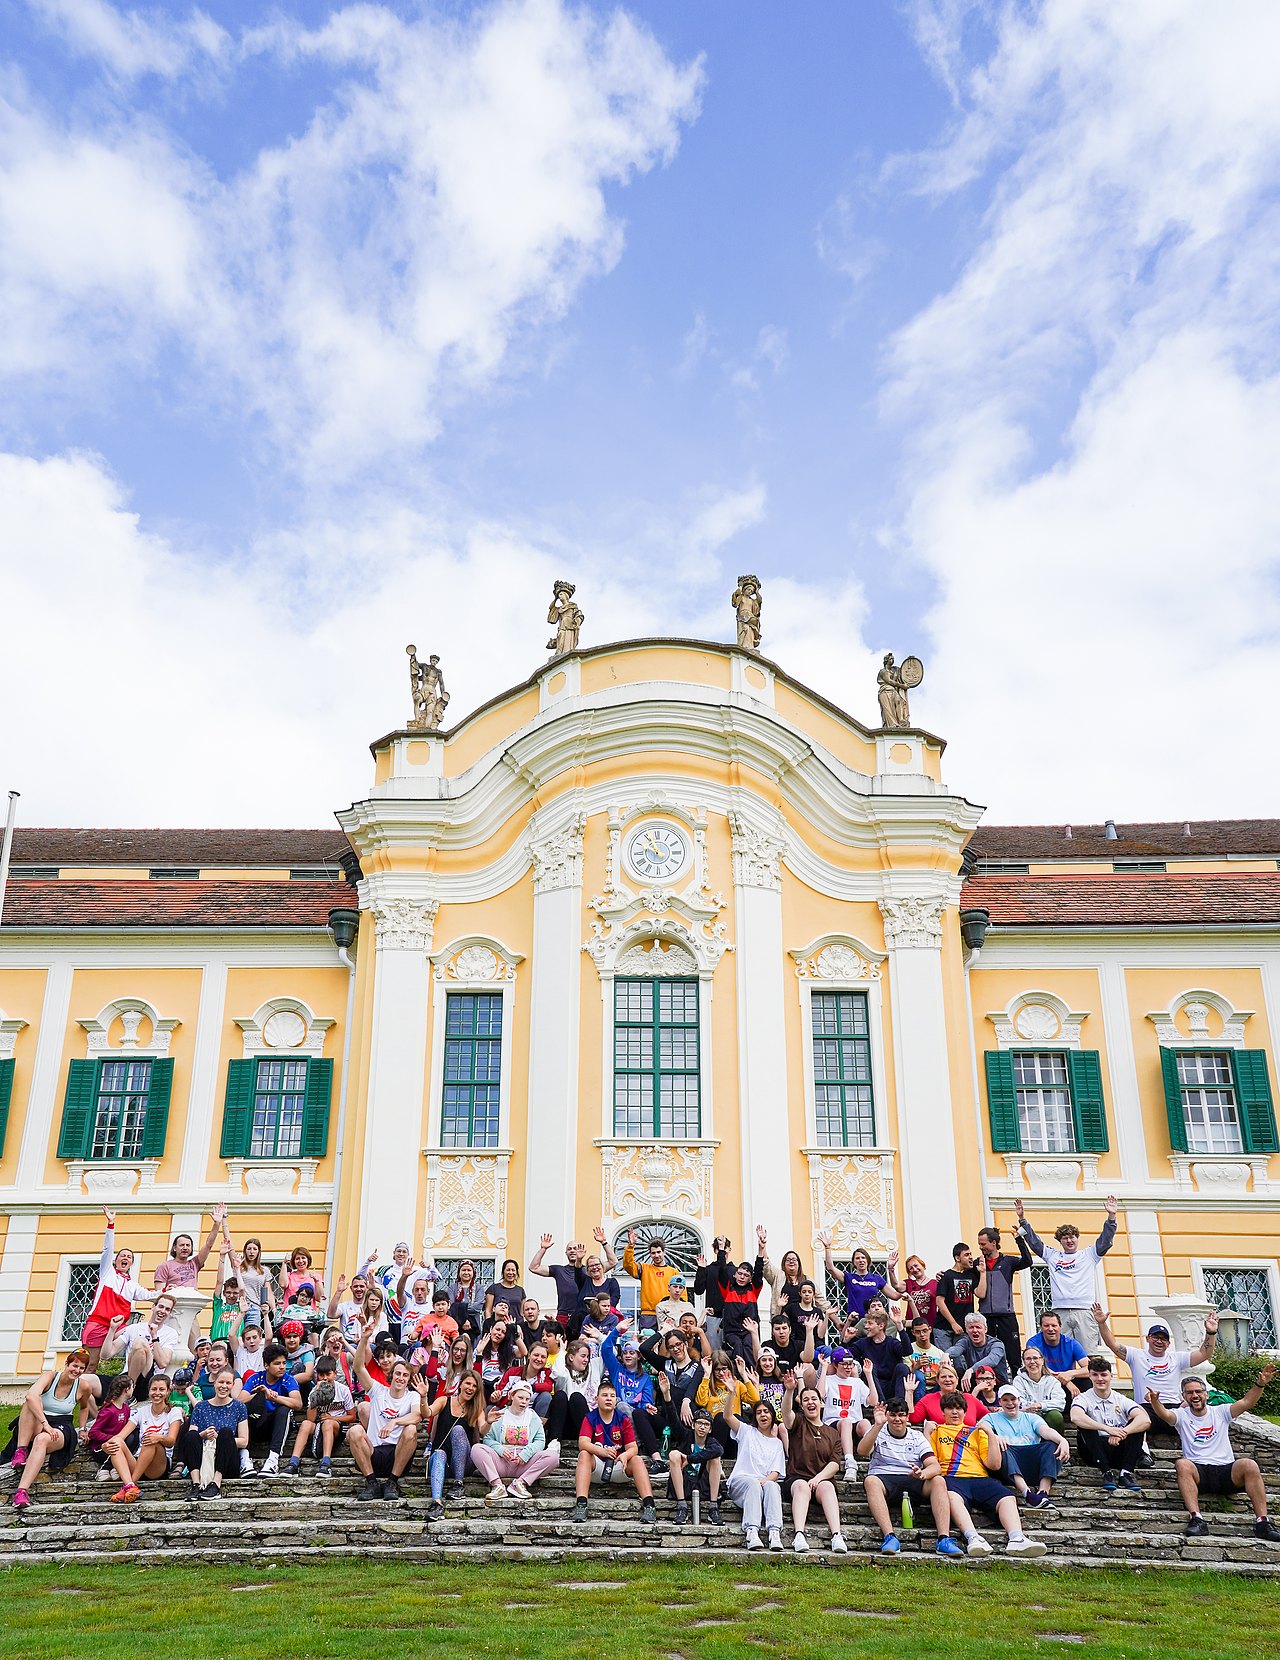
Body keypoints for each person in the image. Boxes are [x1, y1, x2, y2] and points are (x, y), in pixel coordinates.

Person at [1145, 1363, 1280, 1541]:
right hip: (1199, 1474)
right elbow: (1165, 1415)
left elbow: (1247, 1402)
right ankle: (1197, 1519)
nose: (1195, 1395)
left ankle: (1263, 1522)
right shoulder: (1181, 1416)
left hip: (1226, 1471)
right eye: (1189, 1393)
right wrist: (1155, 1402)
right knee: (1182, 1464)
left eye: (1198, 1391)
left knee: (1249, 1464)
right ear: (1183, 1396)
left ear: (1206, 1394)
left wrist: (1260, 1384)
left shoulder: (1221, 1412)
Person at [928, 1391, 1047, 1556]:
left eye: (958, 1408)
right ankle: (973, 1538)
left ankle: (1017, 1538)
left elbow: (994, 1464)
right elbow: (928, 1460)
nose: (954, 1412)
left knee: (1007, 1497)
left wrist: (990, 1433)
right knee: (952, 1497)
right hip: (951, 1477)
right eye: (949, 1408)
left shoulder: (976, 1432)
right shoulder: (936, 1431)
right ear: (943, 1412)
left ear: (965, 1411)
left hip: (980, 1477)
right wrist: (927, 1433)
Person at [1093, 1302, 1218, 1446]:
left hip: (1172, 1407)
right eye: (1155, 1337)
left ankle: (1199, 1451)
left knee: (1195, 1408)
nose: (1159, 1341)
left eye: (1163, 1338)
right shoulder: (1136, 1355)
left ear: (1168, 1343)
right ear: (1147, 1338)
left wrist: (1211, 1333)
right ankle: (1143, 1452)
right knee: (1135, 1414)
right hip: (1147, 1407)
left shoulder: (1176, 1358)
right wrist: (1102, 1323)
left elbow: (1204, 1354)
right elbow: (1112, 1344)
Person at [857, 1398, 963, 1557]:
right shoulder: (877, 1431)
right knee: (870, 1480)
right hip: (884, 1479)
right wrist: (877, 1425)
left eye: (901, 1415)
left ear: (907, 1417)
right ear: (886, 1416)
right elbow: (862, 1452)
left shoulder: (917, 1436)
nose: (897, 1419)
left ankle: (944, 1539)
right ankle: (890, 1537)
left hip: (913, 1478)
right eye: (892, 1415)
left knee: (938, 1480)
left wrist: (923, 1474)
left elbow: (935, 1466)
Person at [1013, 1195, 1118, 1353]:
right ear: (1060, 1241)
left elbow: (1106, 1240)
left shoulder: (1089, 1254)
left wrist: (1111, 1217)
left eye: (1072, 1237)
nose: (1069, 1241)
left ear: (1077, 1238)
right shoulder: (1053, 1255)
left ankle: (1089, 1378)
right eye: (1065, 1238)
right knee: (1061, 1353)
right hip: (1059, 1312)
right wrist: (1022, 1219)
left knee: (1088, 1354)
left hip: (1084, 1311)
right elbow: (1035, 1243)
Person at [7, 1348, 95, 1509]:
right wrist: (44, 1423)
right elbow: (31, 1395)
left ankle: (21, 1492)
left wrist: (82, 1428)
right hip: (37, 1422)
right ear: (66, 1364)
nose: (77, 1370)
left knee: (42, 1439)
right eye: (74, 1365)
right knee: (31, 1402)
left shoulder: (84, 1386)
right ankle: (21, 1450)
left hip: (62, 1425)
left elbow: (83, 1408)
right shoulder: (50, 1376)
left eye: (81, 1368)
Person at [349, 1323, 421, 1501]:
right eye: (398, 1374)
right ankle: (372, 1483)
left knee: (411, 1429)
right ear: (392, 1375)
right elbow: (358, 1368)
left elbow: (417, 1416)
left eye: (405, 1375)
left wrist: (394, 1422)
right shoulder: (378, 1390)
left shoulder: (413, 1397)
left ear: (409, 1379)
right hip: (374, 1451)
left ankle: (392, 1482)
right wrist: (364, 1338)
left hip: (397, 1455)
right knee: (355, 1430)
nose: (400, 1378)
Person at [572, 1378, 656, 1525]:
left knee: (636, 1459)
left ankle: (649, 1506)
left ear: (616, 1400)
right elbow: (583, 1443)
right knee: (584, 1454)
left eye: (612, 1396)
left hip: (619, 1465)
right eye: (605, 1395)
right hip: (597, 1466)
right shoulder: (590, 1418)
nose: (608, 1399)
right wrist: (601, 1451)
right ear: (596, 1399)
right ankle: (581, 1504)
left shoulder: (623, 1419)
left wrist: (625, 1455)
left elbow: (633, 1447)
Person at [782, 1382, 848, 1554]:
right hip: (796, 1479)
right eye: (805, 1400)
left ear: (821, 1403)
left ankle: (837, 1536)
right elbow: (786, 1414)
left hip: (820, 1480)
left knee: (827, 1486)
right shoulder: (798, 1423)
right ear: (802, 1405)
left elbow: (834, 1463)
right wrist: (789, 1391)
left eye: (814, 1399)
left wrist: (818, 1478)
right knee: (802, 1486)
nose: (810, 1402)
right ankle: (799, 1535)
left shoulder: (833, 1433)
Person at [80, 1208, 152, 1365]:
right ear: (116, 1260)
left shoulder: (132, 1285)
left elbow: (150, 1296)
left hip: (118, 1327)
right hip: (98, 1323)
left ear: (131, 1262)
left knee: (135, 1337)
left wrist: (171, 1290)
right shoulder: (107, 1273)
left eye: (129, 1257)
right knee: (90, 1364)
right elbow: (107, 1250)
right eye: (122, 1255)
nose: (125, 1258)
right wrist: (110, 1224)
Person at [471, 1378, 561, 1503]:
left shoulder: (533, 1416)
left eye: (527, 1399)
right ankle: (497, 1485)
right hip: (502, 1461)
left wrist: (525, 1454)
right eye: (520, 1397)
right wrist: (500, 1450)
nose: (524, 1402)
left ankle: (520, 1483)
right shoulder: (500, 1415)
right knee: (477, 1449)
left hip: (523, 1463)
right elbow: (487, 1439)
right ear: (511, 1396)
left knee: (553, 1456)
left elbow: (540, 1441)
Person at [1069, 1356, 1150, 1493]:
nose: (1100, 1379)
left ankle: (1126, 1473)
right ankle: (1106, 1472)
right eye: (1095, 1375)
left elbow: (1145, 1420)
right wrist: (1108, 1429)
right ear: (1089, 1376)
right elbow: (1075, 1416)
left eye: (1104, 1374)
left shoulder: (1120, 1398)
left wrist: (1122, 1433)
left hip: (1118, 1447)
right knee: (1085, 1425)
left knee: (1137, 1425)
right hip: (1094, 1451)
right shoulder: (1083, 1398)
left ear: (1111, 1376)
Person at [985, 1382, 1069, 1508]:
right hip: (1009, 1464)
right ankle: (1027, 1494)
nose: (1010, 1403)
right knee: (1001, 1448)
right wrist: (994, 1436)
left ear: (1019, 1400)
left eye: (1013, 1399)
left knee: (1052, 1445)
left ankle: (1043, 1492)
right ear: (1000, 1402)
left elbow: (1045, 1431)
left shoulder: (1031, 1418)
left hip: (1031, 1461)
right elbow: (980, 1428)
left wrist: (1063, 1441)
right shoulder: (992, 1417)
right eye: (1005, 1400)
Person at [722, 1393, 787, 1551]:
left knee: (773, 1486)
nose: (763, 1415)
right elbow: (727, 1416)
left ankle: (774, 1532)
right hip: (741, 1484)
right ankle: (751, 1531)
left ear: (772, 1415)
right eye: (759, 1412)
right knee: (753, 1484)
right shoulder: (746, 1431)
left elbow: (775, 1472)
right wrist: (731, 1393)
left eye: (766, 1411)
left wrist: (763, 1482)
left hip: (762, 1485)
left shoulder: (777, 1444)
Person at [180, 1365, 249, 1499]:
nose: (224, 1386)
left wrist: (220, 1438)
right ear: (215, 1383)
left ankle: (215, 1484)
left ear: (233, 1385)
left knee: (226, 1433)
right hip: (203, 1458)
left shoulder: (239, 1407)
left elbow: (244, 1441)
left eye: (228, 1383)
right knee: (190, 1436)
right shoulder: (200, 1407)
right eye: (221, 1382)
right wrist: (204, 1434)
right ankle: (196, 1484)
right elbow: (192, 1436)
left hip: (227, 1461)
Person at [112, 1372, 184, 1498]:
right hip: (138, 1462)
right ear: (149, 1391)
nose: (157, 1393)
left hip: (158, 1465)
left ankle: (130, 1485)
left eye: (161, 1389)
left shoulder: (174, 1412)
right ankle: (130, 1486)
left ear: (168, 1392)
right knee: (116, 1443)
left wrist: (159, 1437)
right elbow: (121, 1436)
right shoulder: (141, 1411)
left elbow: (171, 1441)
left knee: (152, 1439)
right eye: (154, 1389)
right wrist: (107, 1444)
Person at [425, 1371, 486, 1519]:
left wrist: (489, 1421)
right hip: (441, 1462)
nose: (470, 1388)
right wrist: (422, 1397)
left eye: (474, 1386)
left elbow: (483, 1428)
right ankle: (436, 1504)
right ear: (460, 1385)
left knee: (458, 1430)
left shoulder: (477, 1409)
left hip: (464, 1463)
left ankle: (458, 1484)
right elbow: (427, 1413)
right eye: (468, 1383)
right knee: (439, 1453)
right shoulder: (444, 1401)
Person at [284, 1353, 356, 1477]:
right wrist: (315, 1397)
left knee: (328, 1423)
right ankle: (293, 1462)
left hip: (336, 1427)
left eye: (328, 1374)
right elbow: (310, 1419)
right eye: (321, 1375)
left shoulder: (343, 1390)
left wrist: (333, 1418)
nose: (324, 1378)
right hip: (318, 1426)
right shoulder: (314, 1391)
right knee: (306, 1424)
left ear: (335, 1373)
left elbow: (352, 1416)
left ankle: (325, 1463)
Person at [239, 1341, 304, 1475]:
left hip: (277, 1425)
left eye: (284, 1363)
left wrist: (274, 1398)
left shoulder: (288, 1379)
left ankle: (273, 1460)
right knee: (242, 1410)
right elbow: (239, 1401)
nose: (282, 1367)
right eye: (277, 1363)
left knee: (284, 1410)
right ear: (266, 1365)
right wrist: (258, 1393)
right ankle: (244, 1459)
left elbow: (298, 1404)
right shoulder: (255, 1378)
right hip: (257, 1423)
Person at [101, 1293, 183, 1398]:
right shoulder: (134, 1328)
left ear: (170, 1313)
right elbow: (105, 1355)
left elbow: (163, 1363)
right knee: (88, 1381)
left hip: (149, 1380)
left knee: (140, 1342)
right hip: (128, 1374)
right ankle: (128, 1389)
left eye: (167, 1309)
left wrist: (154, 1336)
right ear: (153, 1307)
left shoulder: (170, 1333)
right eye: (161, 1306)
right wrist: (112, 1329)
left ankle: (128, 1392)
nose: (163, 1311)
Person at [976, 1224, 1033, 1373]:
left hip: (1006, 1315)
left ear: (993, 1243)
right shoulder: (977, 1264)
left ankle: (1018, 1388)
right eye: (979, 1244)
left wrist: (1019, 1241)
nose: (981, 1247)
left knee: (1013, 1356)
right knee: (987, 1355)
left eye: (983, 1244)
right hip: (985, 1316)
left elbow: (1028, 1261)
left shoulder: (1008, 1261)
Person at [816, 1347, 873, 1481]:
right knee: (846, 1421)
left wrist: (869, 1375)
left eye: (851, 1364)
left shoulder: (857, 1382)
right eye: (844, 1364)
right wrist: (824, 1368)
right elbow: (820, 1395)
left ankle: (875, 1455)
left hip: (854, 1425)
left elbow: (873, 1401)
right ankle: (850, 1462)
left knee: (865, 1423)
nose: (848, 1368)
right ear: (836, 1365)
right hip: (833, 1425)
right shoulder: (829, 1380)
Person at [666, 1404, 724, 1526]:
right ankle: (682, 1506)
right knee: (674, 1454)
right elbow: (673, 1419)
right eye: (699, 1423)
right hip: (685, 1483)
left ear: (710, 1429)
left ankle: (713, 1507)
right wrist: (667, 1396)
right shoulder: (685, 1436)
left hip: (703, 1485)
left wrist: (690, 1458)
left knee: (715, 1458)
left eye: (706, 1424)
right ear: (693, 1425)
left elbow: (719, 1451)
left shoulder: (712, 1443)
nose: (702, 1427)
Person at [717, 1233, 766, 1364]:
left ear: (750, 1278)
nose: (742, 1277)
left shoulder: (753, 1290)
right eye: (740, 1273)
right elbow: (721, 1270)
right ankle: (738, 1375)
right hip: (731, 1333)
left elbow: (759, 1271)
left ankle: (751, 1375)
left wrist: (761, 1249)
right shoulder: (728, 1289)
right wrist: (721, 1249)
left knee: (749, 1346)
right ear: (735, 1275)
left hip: (749, 1331)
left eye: (746, 1275)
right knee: (738, 1346)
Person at [153, 1207, 224, 1294]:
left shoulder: (195, 1263)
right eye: (182, 1245)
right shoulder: (164, 1266)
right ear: (174, 1248)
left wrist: (217, 1224)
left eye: (188, 1245)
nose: (185, 1248)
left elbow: (208, 1245)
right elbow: (158, 1293)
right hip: (173, 1303)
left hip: (192, 1303)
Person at [1024, 1310, 1091, 1400]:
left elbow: (1090, 1369)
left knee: (1088, 1381)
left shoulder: (1071, 1343)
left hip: (1068, 1378)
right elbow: (1037, 1367)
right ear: (1041, 1327)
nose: (1050, 1329)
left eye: (1054, 1325)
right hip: (1045, 1381)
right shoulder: (1033, 1343)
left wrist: (1071, 1373)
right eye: (1046, 1326)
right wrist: (1066, 1382)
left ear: (1060, 1327)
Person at [819, 1233, 888, 1321]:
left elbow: (895, 1295)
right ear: (853, 1262)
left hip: (874, 1320)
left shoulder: (876, 1278)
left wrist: (891, 1269)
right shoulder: (849, 1277)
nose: (861, 1260)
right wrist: (827, 1248)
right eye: (857, 1258)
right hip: (855, 1320)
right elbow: (831, 1268)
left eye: (863, 1258)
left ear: (867, 1260)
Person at [933, 1243, 988, 1351]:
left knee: (961, 1362)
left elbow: (980, 1294)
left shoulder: (971, 1275)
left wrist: (982, 1272)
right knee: (946, 1360)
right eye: (966, 1255)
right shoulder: (946, 1276)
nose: (971, 1257)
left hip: (963, 1328)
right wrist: (953, 1323)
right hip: (943, 1328)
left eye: (971, 1254)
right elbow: (939, 1301)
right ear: (957, 1258)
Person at [84, 1373, 136, 1487]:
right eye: (132, 1387)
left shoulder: (126, 1409)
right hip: (101, 1448)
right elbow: (93, 1432)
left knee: (133, 1437)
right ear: (127, 1389)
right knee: (116, 1444)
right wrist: (113, 1438)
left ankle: (114, 1468)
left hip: (118, 1445)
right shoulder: (108, 1411)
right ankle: (105, 1468)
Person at [622, 1229, 681, 1329]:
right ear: (650, 1254)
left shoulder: (673, 1272)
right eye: (653, 1253)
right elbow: (628, 1265)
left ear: (664, 1252)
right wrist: (631, 1246)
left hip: (668, 1313)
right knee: (647, 1342)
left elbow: (681, 1294)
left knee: (668, 1343)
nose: (656, 1255)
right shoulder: (644, 1268)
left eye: (659, 1252)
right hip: (648, 1314)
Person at [853, 1308, 911, 1402]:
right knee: (869, 1367)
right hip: (872, 1389)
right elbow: (846, 1355)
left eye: (870, 1323)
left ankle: (899, 1404)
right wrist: (845, 1340)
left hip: (892, 1386)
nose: (866, 1327)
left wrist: (899, 1325)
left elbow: (907, 1351)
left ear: (881, 1326)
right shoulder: (863, 1343)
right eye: (866, 1323)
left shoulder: (892, 1342)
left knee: (902, 1367)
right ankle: (881, 1404)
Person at [907, 1361, 987, 1428]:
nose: (947, 1379)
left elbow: (990, 1418)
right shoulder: (928, 1399)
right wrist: (909, 1392)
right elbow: (913, 1418)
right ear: (938, 1380)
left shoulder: (969, 1398)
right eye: (943, 1377)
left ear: (957, 1380)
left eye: (951, 1376)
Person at [888, 1253, 941, 1344]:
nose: (914, 1269)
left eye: (916, 1265)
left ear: (923, 1265)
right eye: (911, 1268)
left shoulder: (935, 1283)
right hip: (912, 1326)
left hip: (930, 1326)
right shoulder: (909, 1283)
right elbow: (896, 1285)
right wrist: (891, 1269)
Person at [1011, 1346, 1067, 1432]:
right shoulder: (1019, 1380)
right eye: (1028, 1359)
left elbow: (1060, 1402)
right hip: (1027, 1416)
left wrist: (1041, 1405)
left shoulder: (1052, 1381)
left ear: (1042, 1361)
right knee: (1034, 1416)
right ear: (1024, 1362)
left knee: (1055, 1416)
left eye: (1035, 1358)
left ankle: (1056, 1444)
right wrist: (1030, 1407)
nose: (1032, 1362)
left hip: (1048, 1415)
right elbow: (1018, 1402)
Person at [947, 1313, 1010, 1387]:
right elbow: (957, 1349)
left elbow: (992, 1360)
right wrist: (946, 1354)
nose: (975, 1330)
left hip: (998, 1386)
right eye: (971, 1327)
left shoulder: (996, 1344)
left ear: (985, 1329)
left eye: (978, 1327)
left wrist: (971, 1370)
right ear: (966, 1330)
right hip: (976, 1384)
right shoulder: (966, 1341)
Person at [483, 1259, 526, 1324]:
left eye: (513, 1270)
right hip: (499, 1328)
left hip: (516, 1326)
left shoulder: (520, 1290)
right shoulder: (494, 1288)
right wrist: (489, 1326)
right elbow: (488, 1310)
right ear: (503, 1272)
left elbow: (522, 1313)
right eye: (508, 1270)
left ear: (516, 1272)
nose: (510, 1273)